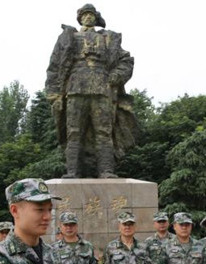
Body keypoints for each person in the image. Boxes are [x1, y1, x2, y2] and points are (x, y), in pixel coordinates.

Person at [45, 3, 137, 178]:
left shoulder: (108, 38)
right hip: (75, 89)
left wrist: (116, 76)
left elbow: (126, 61)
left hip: (102, 89)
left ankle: (106, 171)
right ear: (80, 18)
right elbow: (55, 66)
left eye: (91, 14)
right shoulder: (68, 38)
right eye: (85, 14)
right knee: (74, 132)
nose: (88, 17)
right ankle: (72, 172)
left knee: (104, 131)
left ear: (96, 18)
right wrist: (55, 94)